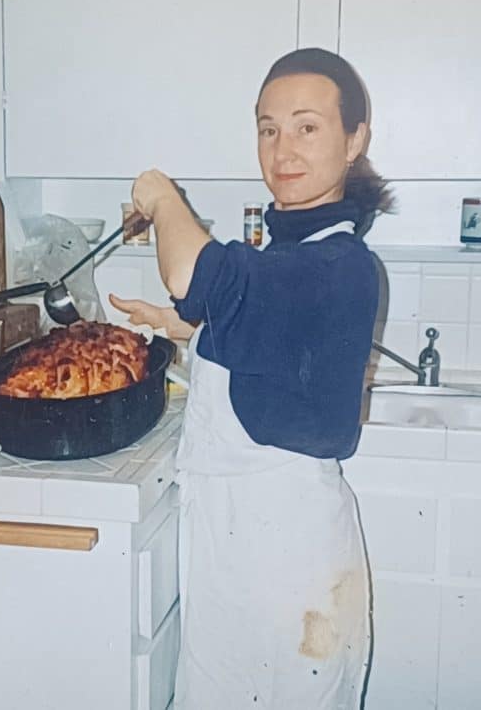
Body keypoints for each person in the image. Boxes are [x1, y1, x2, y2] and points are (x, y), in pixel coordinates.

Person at [110, 48, 394, 709]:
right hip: (240, 552)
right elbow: (271, 340)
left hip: (289, 573)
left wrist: (160, 195)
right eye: (268, 128)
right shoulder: (298, 250)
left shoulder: (340, 262)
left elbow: (197, 278)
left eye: (306, 126)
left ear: (355, 139)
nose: (282, 148)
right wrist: (189, 331)